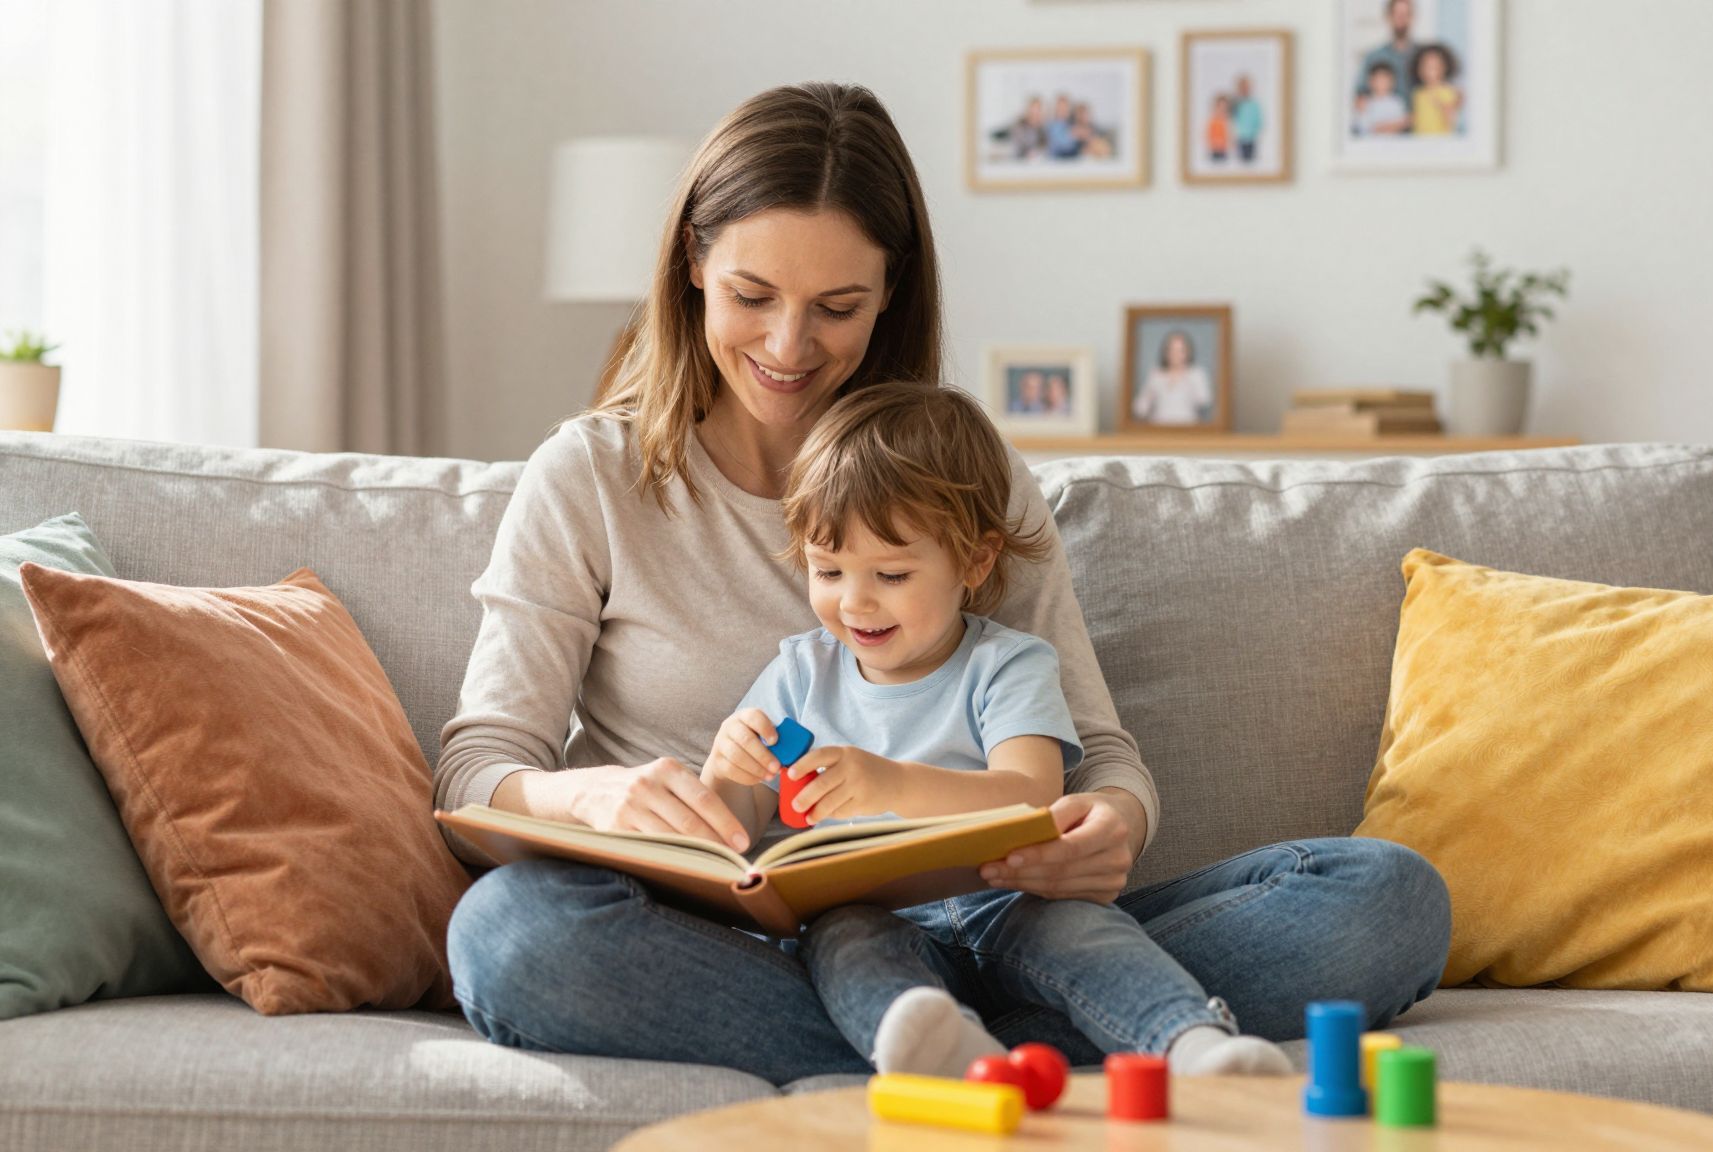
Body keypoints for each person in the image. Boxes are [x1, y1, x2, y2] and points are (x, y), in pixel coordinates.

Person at [439, 82, 1450, 1085]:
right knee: (510, 937)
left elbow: (1095, 755)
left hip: (989, 925)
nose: (788, 348)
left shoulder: (960, 474)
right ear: (692, 264)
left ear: (889, 293)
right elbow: (478, 768)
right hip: (719, 947)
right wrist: (595, 798)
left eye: (835, 307)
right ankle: (1052, 1046)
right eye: (752, 297)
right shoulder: (590, 476)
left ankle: (942, 1050)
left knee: (1382, 895)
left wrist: (1111, 830)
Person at [702, 382, 1296, 1078]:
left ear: (975, 562)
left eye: (891, 574)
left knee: (1082, 931)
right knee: (844, 942)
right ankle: (941, 1049)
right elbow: (734, 828)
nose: (854, 601)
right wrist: (728, 769)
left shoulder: (1005, 664)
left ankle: (1191, 1044)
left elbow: (1029, 795)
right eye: (827, 569)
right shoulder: (800, 672)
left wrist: (892, 783)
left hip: (1006, 903)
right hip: (869, 917)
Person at [1131, 329, 1213, 426]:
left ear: (1188, 352)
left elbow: (1205, 401)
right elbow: (1140, 408)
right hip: (1158, 428)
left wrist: (1188, 379)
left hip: (1188, 428)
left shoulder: (1196, 373)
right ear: (1165, 352)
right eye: (1172, 350)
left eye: (1180, 350)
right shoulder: (1156, 374)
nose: (1176, 354)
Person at [1358, 0, 1419, 105]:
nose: (1401, 18)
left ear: (1412, 17)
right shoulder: (1374, 57)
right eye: (1397, 14)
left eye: (1405, 14)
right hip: (1384, 120)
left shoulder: (1424, 57)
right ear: (1388, 17)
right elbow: (1360, 97)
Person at [1409, 44, 1463, 136]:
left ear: (1444, 68)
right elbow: (1417, 118)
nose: (1429, 72)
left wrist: (1443, 106)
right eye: (1425, 66)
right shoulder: (1418, 93)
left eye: (1434, 67)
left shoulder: (1447, 91)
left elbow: (1451, 117)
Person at [1358, 61, 1411, 135]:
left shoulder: (1397, 102)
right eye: (1378, 79)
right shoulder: (1365, 102)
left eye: (1385, 79)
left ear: (1393, 81)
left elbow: (1403, 123)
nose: (1381, 83)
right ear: (1370, 81)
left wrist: (1383, 127)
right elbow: (1364, 128)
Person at [1231, 74, 1263, 164]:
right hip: (1239, 137)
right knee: (1239, 161)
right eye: (1242, 87)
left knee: (1251, 161)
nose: (1245, 89)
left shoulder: (1254, 104)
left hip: (1251, 137)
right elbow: (1231, 119)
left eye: (1247, 87)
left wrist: (1256, 131)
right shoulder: (1235, 103)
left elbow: (1258, 120)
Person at [1045, 93, 1081, 160]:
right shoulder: (1050, 125)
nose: (1063, 110)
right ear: (1056, 108)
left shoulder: (1072, 124)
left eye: (1065, 107)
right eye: (1060, 107)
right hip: (1056, 161)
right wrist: (1072, 135)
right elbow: (1058, 144)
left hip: (1072, 160)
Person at [1206, 93, 1232, 164]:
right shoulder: (1212, 121)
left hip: (1225, 150)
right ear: (1216, 107)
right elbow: (1208, 135)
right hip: (1215, 150)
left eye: (1225, 107)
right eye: (1220, 106)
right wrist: (1216, 143)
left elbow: (1230, 136)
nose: (1222, 109)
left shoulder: (1228, 121)